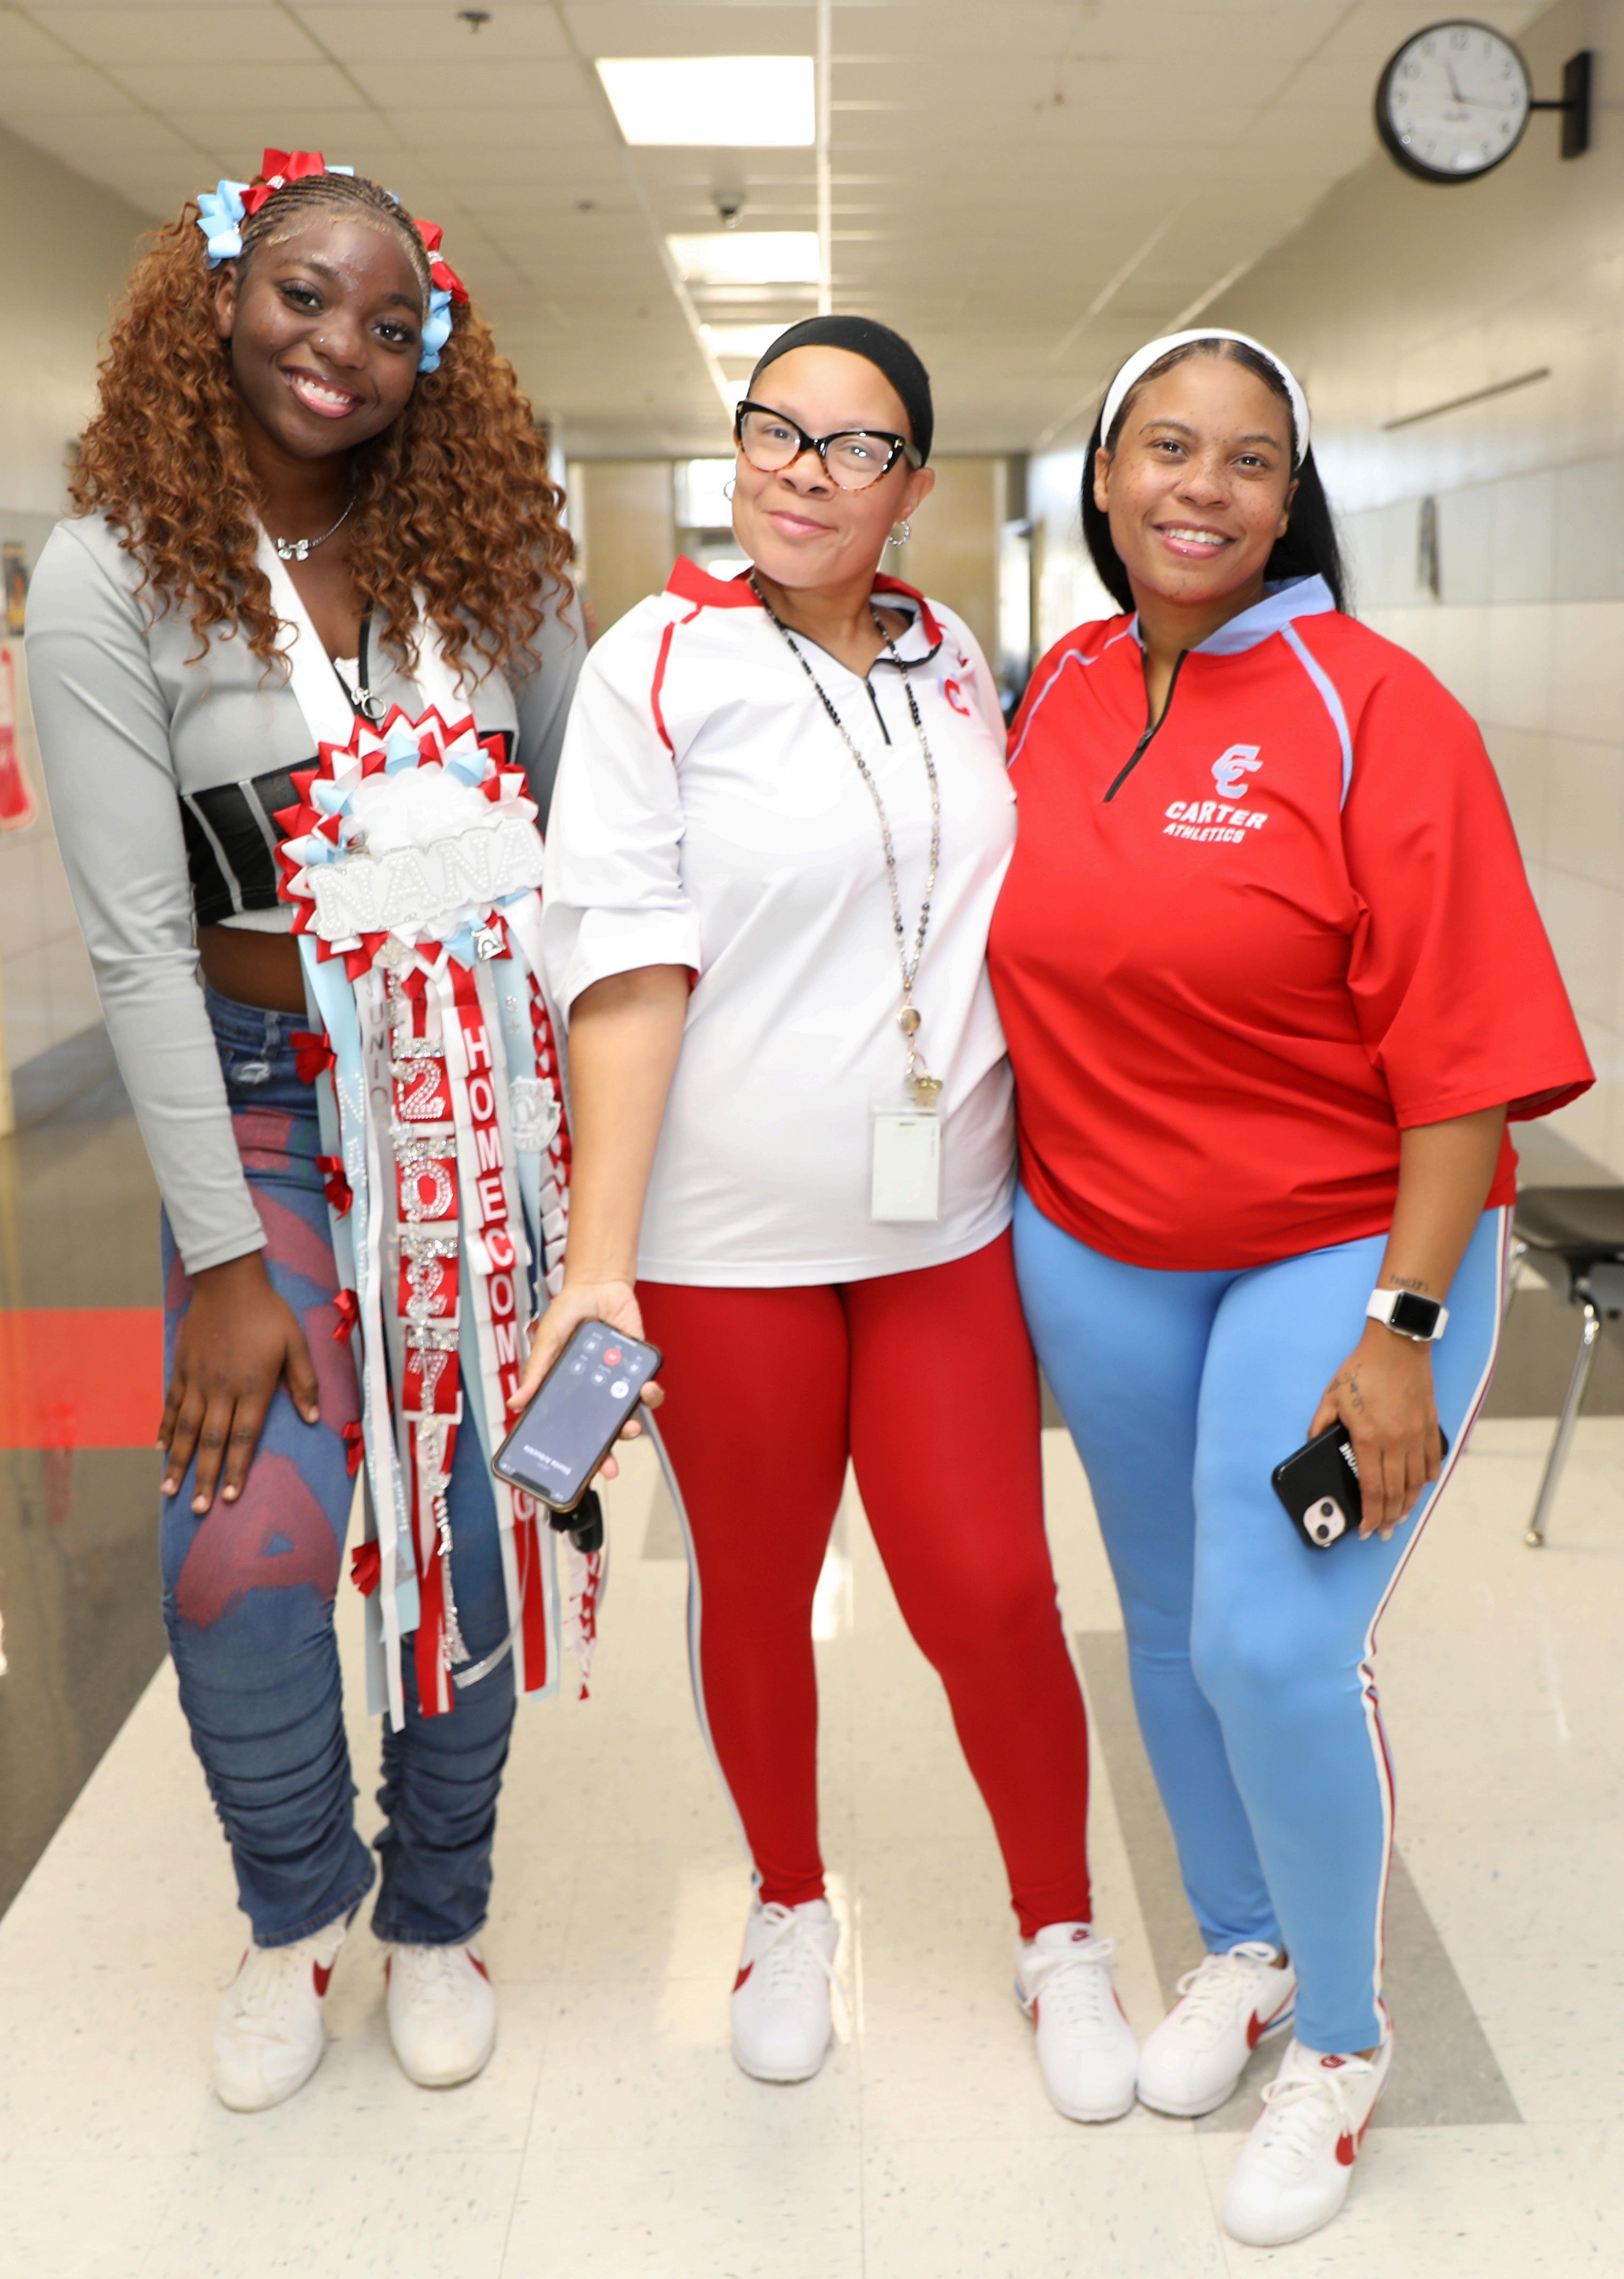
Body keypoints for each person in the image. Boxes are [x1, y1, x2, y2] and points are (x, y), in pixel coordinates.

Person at [987, 327, 1591, 2245]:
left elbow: (1468, 1063)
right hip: (1098, 1238)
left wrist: (1401, 1333)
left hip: (1341, 1244)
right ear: (1104, 478)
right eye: (1166, 448)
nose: (1201, 487)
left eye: (1247, 460)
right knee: (1168, 1622)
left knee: (1272, 1643)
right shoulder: (1063, 684)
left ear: (1290, 497)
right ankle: (1240, 1944)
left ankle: (1340, 2037)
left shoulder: (1377, 710)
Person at [525, 314, 1137, 2119]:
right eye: (774, 430)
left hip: (941, 1223)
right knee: (758, 1583)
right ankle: (788, 1906)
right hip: (725, 1246)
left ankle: (1061, 1933)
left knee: (991, 1586)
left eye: (854, 445)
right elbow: (623, 970)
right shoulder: (656, 665)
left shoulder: (950, 663)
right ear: (737, 454)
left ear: (913, 487)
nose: (804, 470)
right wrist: (598, 1266)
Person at [27, 151, 583, 2111]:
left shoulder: (496, 558)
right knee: (243, 1546)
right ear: (218, 296)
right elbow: (135, 944)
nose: (342, 346)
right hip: (261, 1100)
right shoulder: (111, 570)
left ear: (437, 352)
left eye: (391, 321)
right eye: (301, 295)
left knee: (464, 1534)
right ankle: (297, 1915)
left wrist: (587, 1197)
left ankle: (439, 1910)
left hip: (475, 1107)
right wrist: (223, 1264)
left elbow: (587, 860)